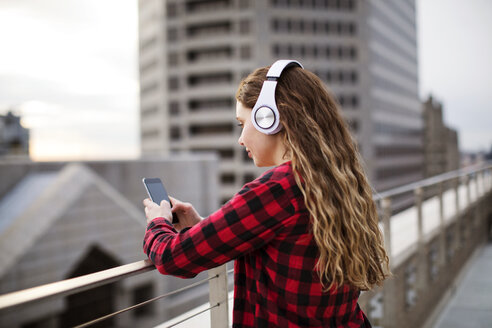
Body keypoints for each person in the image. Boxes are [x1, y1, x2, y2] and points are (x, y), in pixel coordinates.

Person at [143, 60, 390, 327]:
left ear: (269, 118)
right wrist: (201, 226)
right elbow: (277, 241)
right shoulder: (336, 181)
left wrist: (158, 221)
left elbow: (173, 258)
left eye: (242, 124)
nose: (240, 139)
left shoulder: (277, 190)